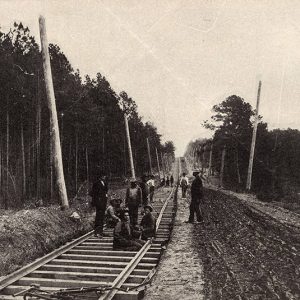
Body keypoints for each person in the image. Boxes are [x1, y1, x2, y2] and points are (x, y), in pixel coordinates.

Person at [89, 172, 108, 237]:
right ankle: (97, 232)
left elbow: (105, 192)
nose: (105, 177)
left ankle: (101, 232)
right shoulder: (96, 183)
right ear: (101, 176)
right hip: (99, 203)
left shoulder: (105, 183)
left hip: (103, 203)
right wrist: (95, 202)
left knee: (102, 217)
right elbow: (93, 194)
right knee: (98, 217)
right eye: (103, 176)